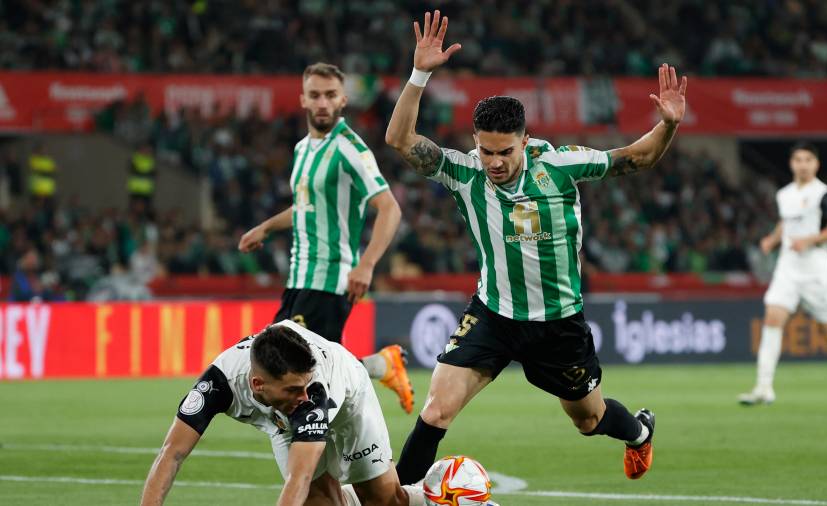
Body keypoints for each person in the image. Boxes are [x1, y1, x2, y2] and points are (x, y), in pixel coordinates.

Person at [384, 10, 687, 484]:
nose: (495, 162)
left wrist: (667, 125)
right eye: (486, 150)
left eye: (506, 151)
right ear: (475, 143)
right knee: (437, 409)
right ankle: (394, 497)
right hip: (493, 314)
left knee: (588, 419)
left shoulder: (561, 166)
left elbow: (639, 157)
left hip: (557, 324)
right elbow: (399, 139)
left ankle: (639, 433)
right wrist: (420, 73)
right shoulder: (465, 173)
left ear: (526, 140)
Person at [238, 63, 414, 414]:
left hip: (331, 278)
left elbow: (389, 207)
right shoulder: (303, 149)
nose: (322, 103)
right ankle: (382, 366)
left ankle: (318, 458)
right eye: (315, 95)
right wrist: (267, 228)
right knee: (315, 373)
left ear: (343, 100)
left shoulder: (349, 148)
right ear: (303, 99)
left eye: (330, 95)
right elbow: (306, 207)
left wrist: (366, 265)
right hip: (299, 277)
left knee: (289, 374)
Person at [140, 321, 429, 506]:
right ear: (257, 384)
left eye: (302, 388)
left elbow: (299, 478)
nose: (301, 397)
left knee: (382, 500)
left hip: (347, 392)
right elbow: (171, 453)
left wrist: (298, 394)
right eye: (291, 390)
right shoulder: (218, 383)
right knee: (318, 503)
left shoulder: (311, 396)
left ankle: (444, 496)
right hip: (279, 422)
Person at [739, 142, 827, 405]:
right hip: (788, 266)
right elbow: (787, 221)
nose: (802, 164)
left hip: (815, 268)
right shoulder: (784, 194)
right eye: (798, 159)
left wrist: (810, 240)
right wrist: (772, 240)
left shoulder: (824, 195)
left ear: (816, 164)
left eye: (807, 160)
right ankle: (764, 387)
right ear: (791, 164)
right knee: (773, 317)